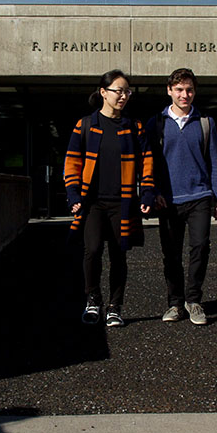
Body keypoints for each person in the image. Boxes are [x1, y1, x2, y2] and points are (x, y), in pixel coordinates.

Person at [64, 70, 155, 327]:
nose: (123, 96)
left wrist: (147, 191)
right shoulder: (85, 125)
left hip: (122, 201)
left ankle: (115, 306)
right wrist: (73, 194)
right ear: (103, 92)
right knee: (91, 251)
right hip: (93, 202)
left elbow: (146, 163)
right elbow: (72, 163)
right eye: (118, 91)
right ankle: (93, 300)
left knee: (119, 254)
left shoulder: (134, 127)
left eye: (127, 91)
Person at [146, 68, 217, 326]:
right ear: (169, 90)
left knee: (200, 247)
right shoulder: (156, 123)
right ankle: (175, 303)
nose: (184, 94)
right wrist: (153, 191)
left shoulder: (205, 122)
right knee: (171, 253)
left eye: (189, 89)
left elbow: (213, 160)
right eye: (179, 89)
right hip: (167, 199)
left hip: (200, 195)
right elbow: (149, 163)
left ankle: (194, 300)